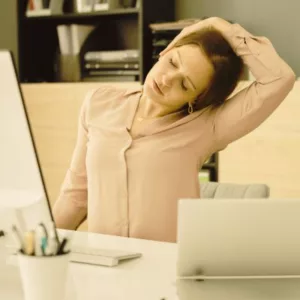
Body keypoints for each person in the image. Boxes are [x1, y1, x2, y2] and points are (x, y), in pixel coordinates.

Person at [53, 17, 295, 243]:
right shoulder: (99, 103)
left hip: (164, 276)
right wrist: (40, 253)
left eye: (184, 84)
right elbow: (75, 197)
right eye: (172, 62)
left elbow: (279, 78)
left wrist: (219, 25)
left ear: (195, 100)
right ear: (166, 51)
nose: (167, 79)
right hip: (102, 270)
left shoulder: (207, 127)